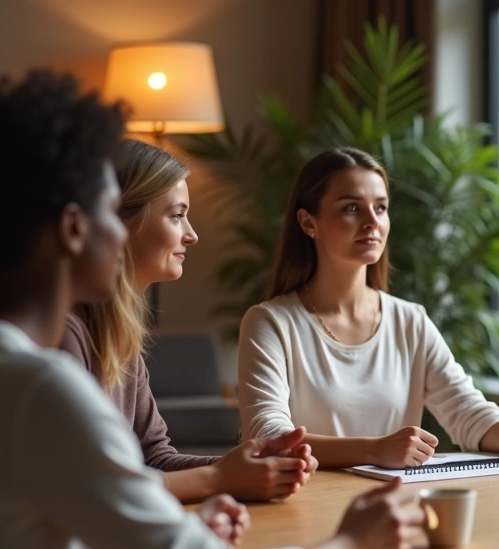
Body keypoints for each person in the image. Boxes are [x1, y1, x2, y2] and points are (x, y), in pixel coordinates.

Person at [0, 70, 423, 549]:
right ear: (74, 228)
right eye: (111, 211)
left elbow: (118, 486)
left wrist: (192, 512)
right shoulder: (42, 391)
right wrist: (351, 547)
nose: (121, 234)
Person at [239, 147, 499, 470]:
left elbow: (466, 409)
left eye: (380, 207)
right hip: (309, 502)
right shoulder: (271, 323)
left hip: (395, 501)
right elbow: (268, 436)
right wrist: (373, 449)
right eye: (352, 208)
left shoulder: (410, 321)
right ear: (308, 222)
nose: (372, 221)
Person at [61, 138, 317, 503]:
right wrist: (219, 478)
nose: (192, 235)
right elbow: (86, 487)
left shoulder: (120, 338)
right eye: (176, 215)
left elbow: (155, 458)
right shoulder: (67, 335)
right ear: (120, 221)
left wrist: (253, 465)